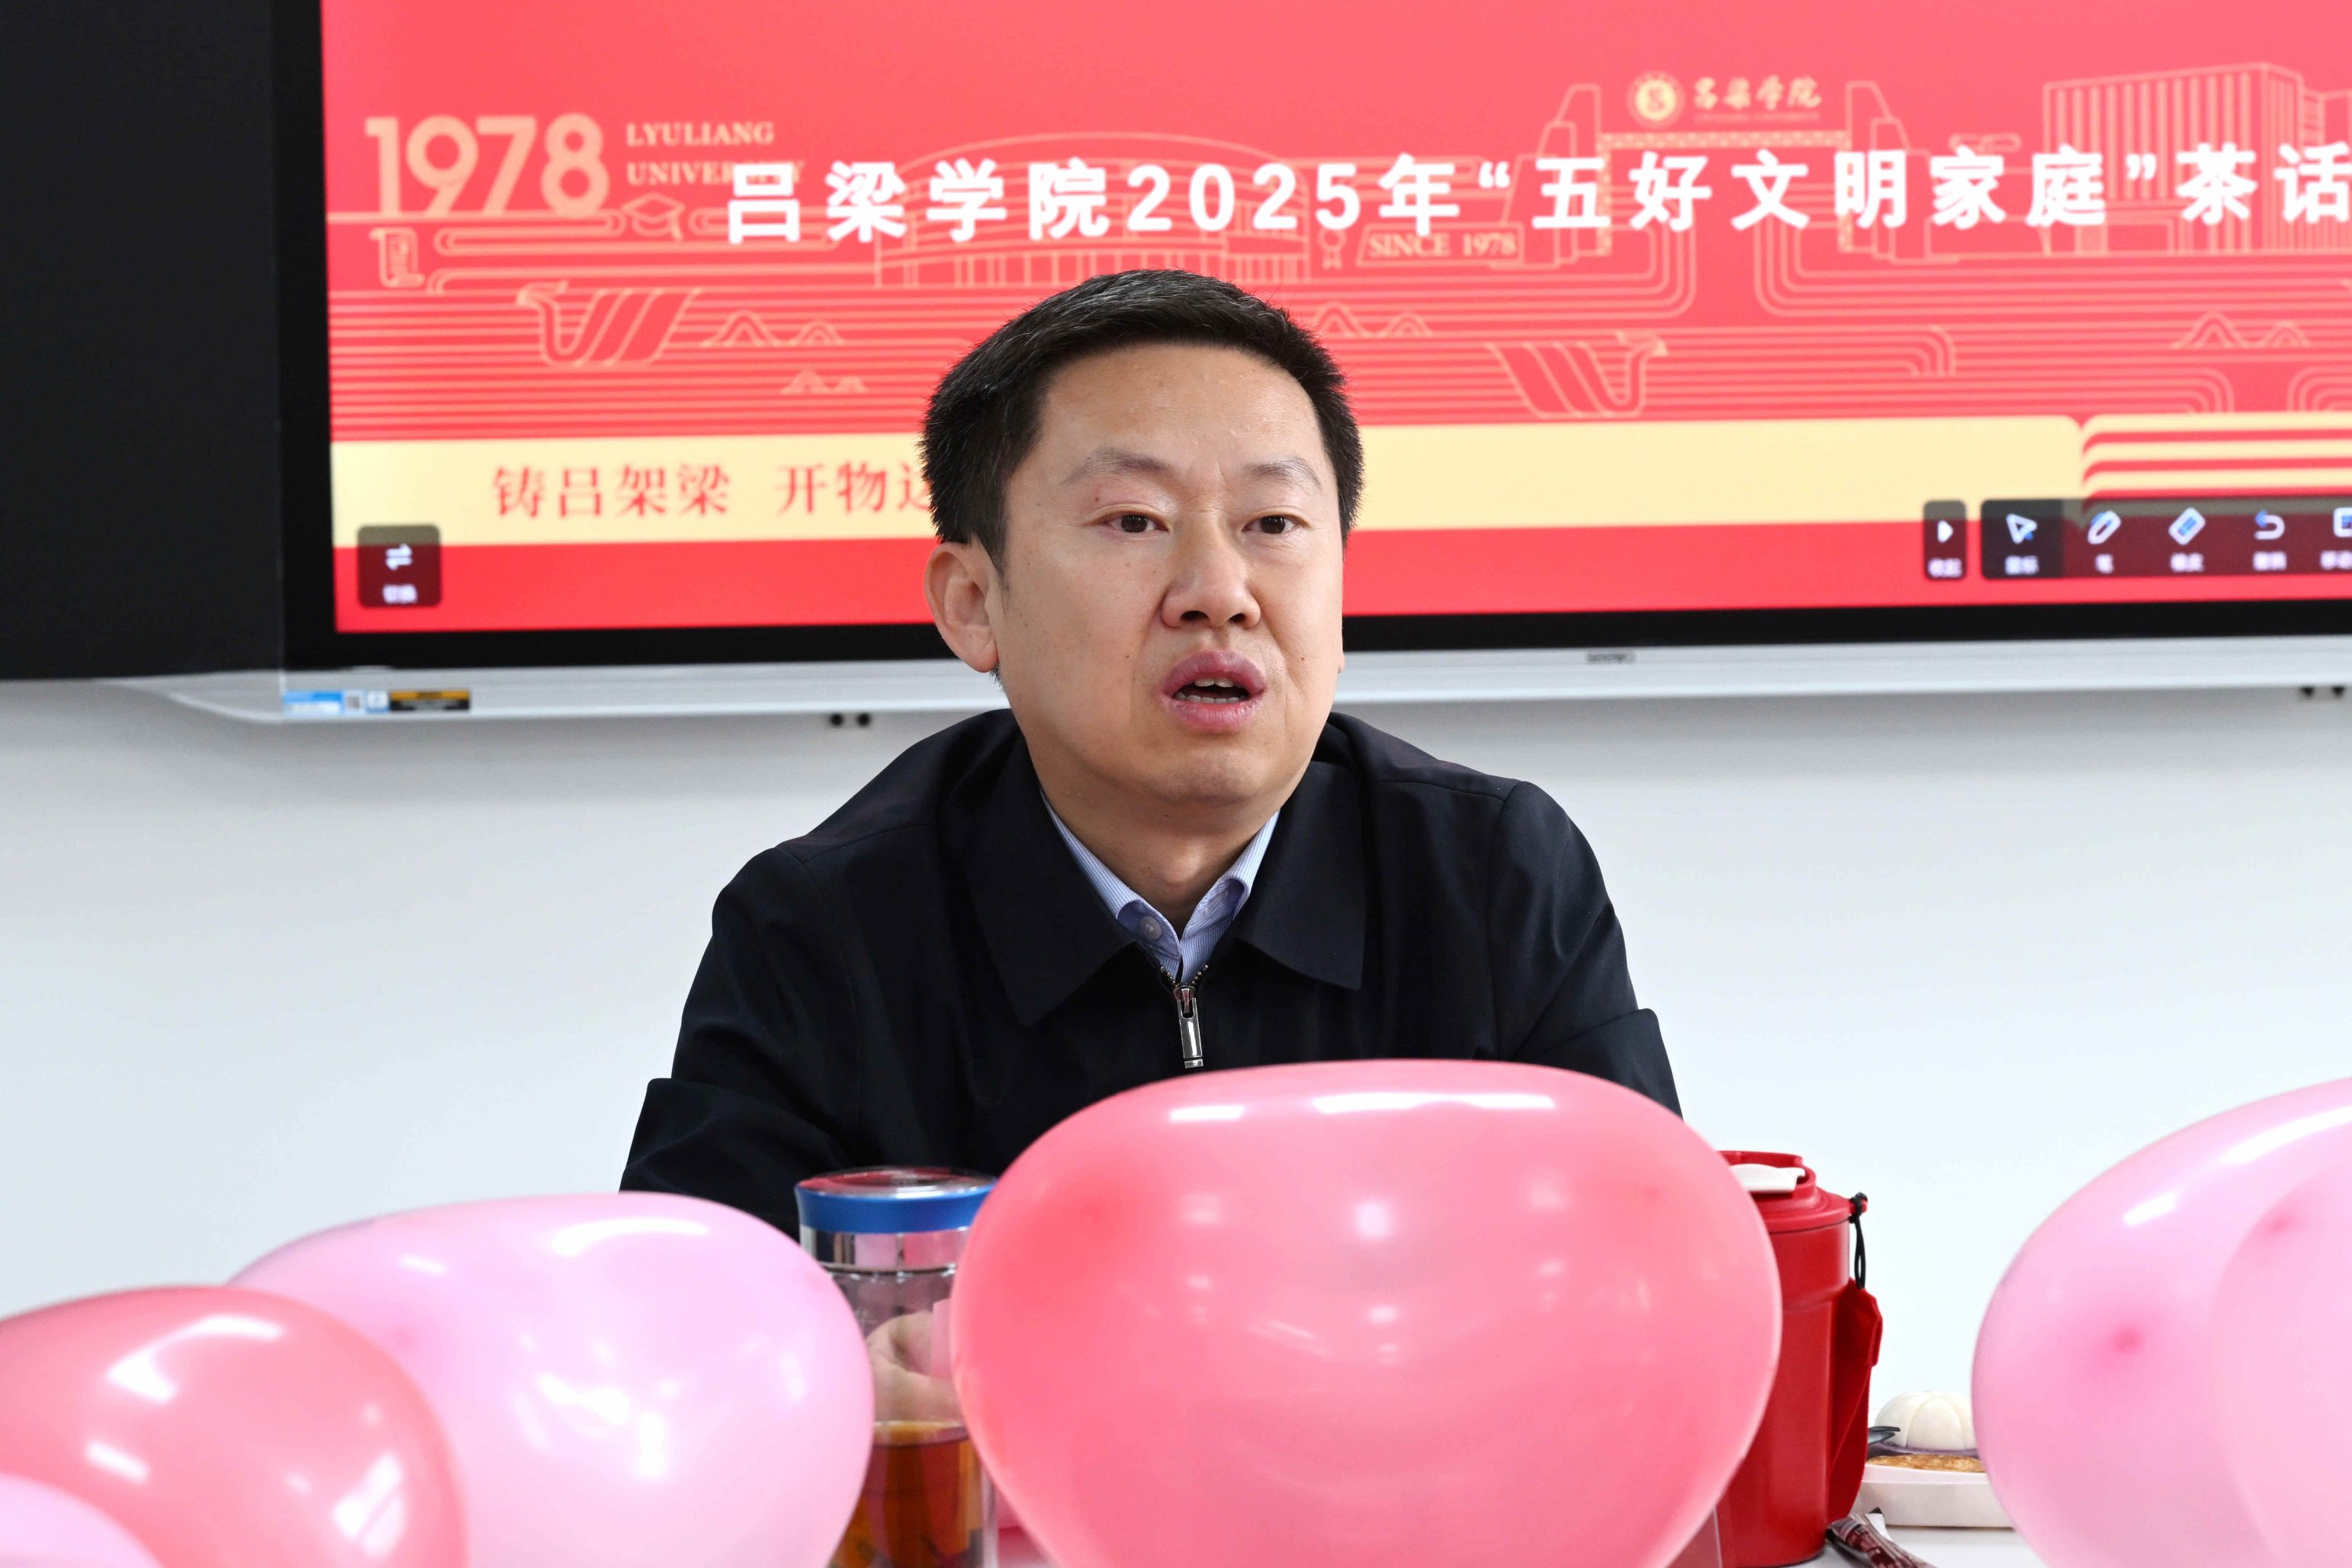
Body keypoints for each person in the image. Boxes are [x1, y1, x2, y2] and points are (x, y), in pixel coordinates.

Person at [621, 268, 1676, 1235]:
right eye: (1134, 520)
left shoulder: (1490, 875)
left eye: (1274, 522)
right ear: (974, 603)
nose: (1220, 591)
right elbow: (705, 1321)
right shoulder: (824, 927)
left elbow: (1647, 1262)